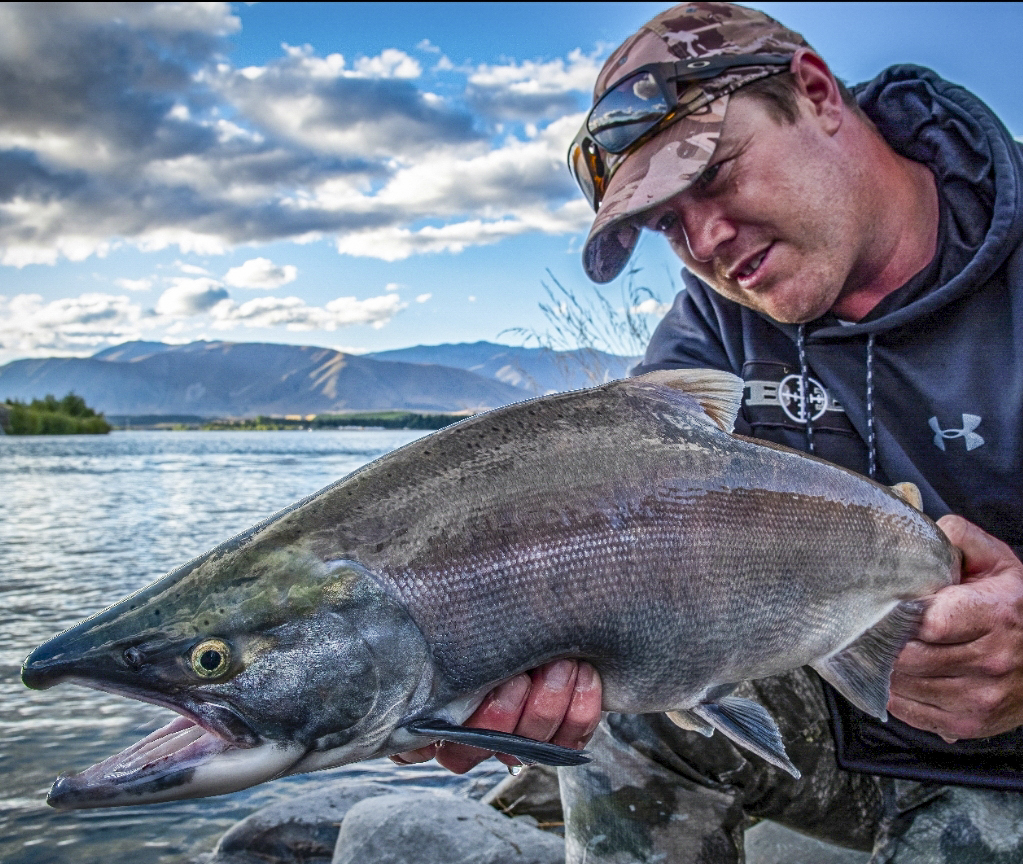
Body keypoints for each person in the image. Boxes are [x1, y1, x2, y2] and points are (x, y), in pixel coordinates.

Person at [396, 4, 1023, 861]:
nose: (706, 242)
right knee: (625, 718)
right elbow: (612, 496)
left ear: (813, 92)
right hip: (839, 732)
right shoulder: (714, 324)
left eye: (716, 174)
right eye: (667, 225)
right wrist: (472, 661)